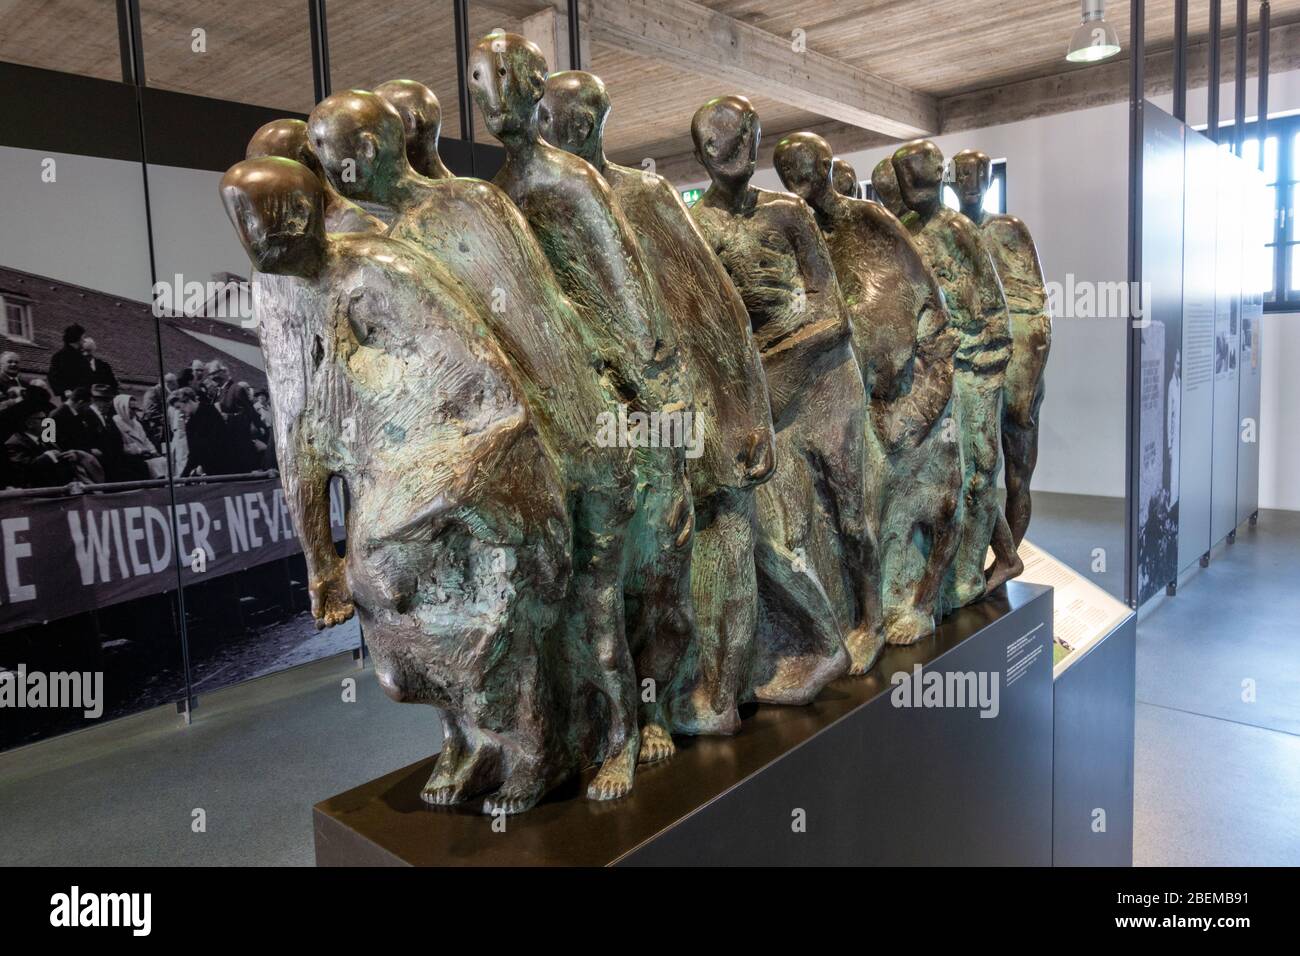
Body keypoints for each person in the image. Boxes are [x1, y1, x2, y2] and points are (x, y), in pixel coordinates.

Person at [5, 391, 103, 486]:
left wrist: (69, 456)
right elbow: (24, 472)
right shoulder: (15, 444)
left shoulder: (44, 440)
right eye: (42, 419)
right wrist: (45, 458)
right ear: (29, 423)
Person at [177, 386, 227, 476]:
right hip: (208, 467)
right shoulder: (190, 424)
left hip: (222, 463)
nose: (180, 411)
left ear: (188, 401)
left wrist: (186, 473)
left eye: (180, 407)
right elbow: (193, 452)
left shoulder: (210, 411)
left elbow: (218, 440)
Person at [112, 394, 157, 480]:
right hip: (131, 458)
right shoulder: (116, 423)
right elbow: (121, 446)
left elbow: (145, 440)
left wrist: (153, 450)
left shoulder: (136, 423)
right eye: (131, 409)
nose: (134, 411)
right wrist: (140, 451)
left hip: (146, 455)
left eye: (136, 409)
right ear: (122, 407)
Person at [47, 324, 91, 398]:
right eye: (82, 338)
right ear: (77, 339)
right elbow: (53, 378)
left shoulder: (83, 358)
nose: (84, 341)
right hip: (70, 398)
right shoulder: (59, 357)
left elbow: (89, 379)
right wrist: (64, 390)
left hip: (84, 398)